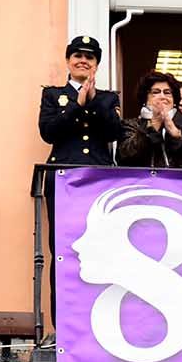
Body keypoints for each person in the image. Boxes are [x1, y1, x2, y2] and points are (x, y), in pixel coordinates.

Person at [37, 35, 122, 326]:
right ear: (68, 61)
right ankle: (62, 325)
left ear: (96, 64)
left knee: (100, 251)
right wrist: (76, 104)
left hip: (98, 182)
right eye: (77, 55)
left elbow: (114, 132)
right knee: (61, 252)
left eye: (89, 56)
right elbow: (48, 132)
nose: (82, 60)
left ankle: (96, 322)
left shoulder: (109, 97)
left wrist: (94, 100)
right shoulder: (53, 95)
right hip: (63, 180)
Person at [116, 70, 182, 168]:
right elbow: (123, 157)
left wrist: (178, 134)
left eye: (167, 92)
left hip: (181, 185)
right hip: (145, 185)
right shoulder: (131, 125)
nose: (162, 97)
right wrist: (153, 126)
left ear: (174, 101)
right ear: (145, 100)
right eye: (155, 92)